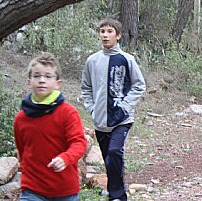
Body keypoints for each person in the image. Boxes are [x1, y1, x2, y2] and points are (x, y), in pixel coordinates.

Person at [81, 18, 146, 201]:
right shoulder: (92, 61)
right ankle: (115, 191)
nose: (105, 35)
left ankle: (118, 196)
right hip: (100, 120)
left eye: (109, 31)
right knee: (109, 159)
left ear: (118, 36)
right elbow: (86, 88)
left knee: (114, 151)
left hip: (122, 119)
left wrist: (125, 106)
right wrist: (92, 109)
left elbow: (139, 85)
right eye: (102, 31)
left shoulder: (127, 59)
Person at [14, 53, 87, 201]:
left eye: (48, 76)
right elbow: (22, 151)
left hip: (65, 189)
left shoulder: (68, 113)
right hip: (32, 188)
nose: (42, 80)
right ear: (29, 81)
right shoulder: (21, 119)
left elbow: (79, 143)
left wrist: (65, 158)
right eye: (37, 76)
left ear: (57, 83)